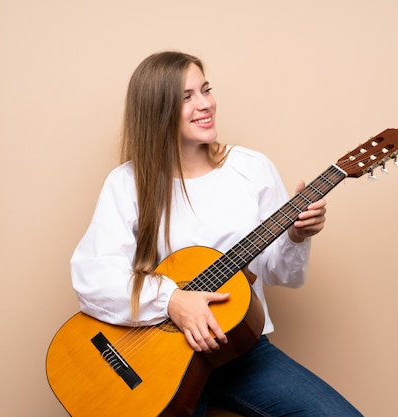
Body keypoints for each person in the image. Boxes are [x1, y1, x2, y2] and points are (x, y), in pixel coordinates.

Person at [71, 51, 363, 417]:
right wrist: (172, 301)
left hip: (240, 351)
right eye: (187, 97)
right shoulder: (127, 183)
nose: (205, 103)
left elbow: (280, 274)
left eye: (206, 90)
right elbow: (92, 275)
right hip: (157, 360)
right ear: (156, 110)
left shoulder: (252, 169)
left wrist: (296, 236)